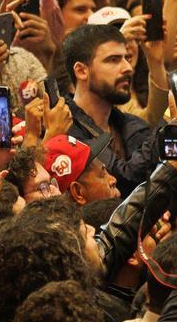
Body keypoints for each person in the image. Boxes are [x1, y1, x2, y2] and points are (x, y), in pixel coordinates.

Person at [64, 23, 156, 197]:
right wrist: (169, 122)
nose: (128, 68)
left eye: (127, 58)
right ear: (82, 71)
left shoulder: (134, 125)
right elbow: (125, 179)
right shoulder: (66, 131)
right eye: (113, 60)